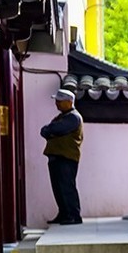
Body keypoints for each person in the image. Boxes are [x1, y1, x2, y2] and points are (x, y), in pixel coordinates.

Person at [40, 88, 83, 225]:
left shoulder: (73, 117)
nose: (57, 103)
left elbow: (54, 129)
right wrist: (49, 131)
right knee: (58, 188)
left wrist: (50, 130)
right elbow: (45, 131)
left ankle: (73, 215)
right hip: (57, 157)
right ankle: (64, 213)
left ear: (69, 102)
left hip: (66, 157)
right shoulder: (62, 117)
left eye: (59, 101)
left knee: (66, 187)